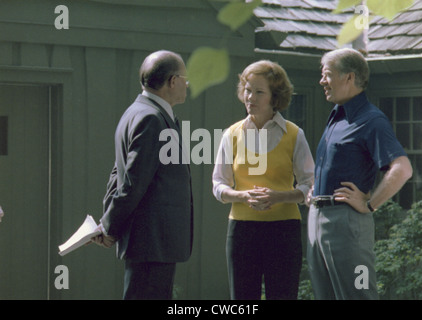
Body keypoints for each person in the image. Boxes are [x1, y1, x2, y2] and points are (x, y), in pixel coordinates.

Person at [307, 48, 413, 300]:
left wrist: (370, 204)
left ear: (349, 77)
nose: (322, 81)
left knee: (360, 293)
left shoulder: (371, 120)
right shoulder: (336, 117)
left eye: (327, 75)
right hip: (317, 219)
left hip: (347, 225)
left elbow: (402, 168)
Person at [93, 50, 193, 300]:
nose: (187, 84)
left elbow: (119, 174)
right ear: (172, 81)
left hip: (152, 243)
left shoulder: (137, 112)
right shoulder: (151, 118)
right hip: (152, 243)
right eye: (184, 78)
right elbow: (132, 183)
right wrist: (109, 226)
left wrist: (109, 222)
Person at [212, 60, 314, 300]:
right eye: (248, 90)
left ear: (275, 97)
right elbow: (218, 185)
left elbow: (310, 185)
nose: (250, 97)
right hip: (242, 232)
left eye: (259, 92)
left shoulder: (294, 135)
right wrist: (243, 196)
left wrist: (280, 196)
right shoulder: (231, 134)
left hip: (283, 232)